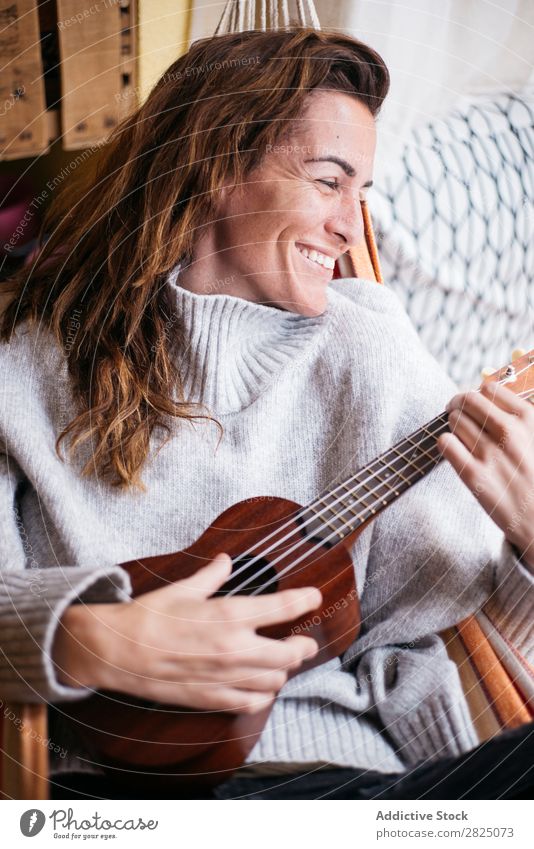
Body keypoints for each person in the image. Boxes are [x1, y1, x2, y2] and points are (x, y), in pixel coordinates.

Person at [0, 28, 532, 801]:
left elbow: (447, 630)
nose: (353, 227)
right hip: (117, 794)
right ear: (218, 167)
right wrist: (87, 639)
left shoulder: (369, 343)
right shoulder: (29, 361)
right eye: (328, 182)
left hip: (355, 787)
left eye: (363, 193)